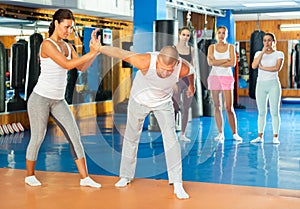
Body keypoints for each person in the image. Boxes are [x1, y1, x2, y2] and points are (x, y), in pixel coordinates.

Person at [97, 43, 195, 199]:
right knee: (131, 138)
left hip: (163, 102)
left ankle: (177, 183)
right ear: (158, 61)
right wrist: (99, 48)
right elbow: (120, 53)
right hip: (139, 100)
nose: (164, 72)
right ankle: (125, 176)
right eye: (162, 68)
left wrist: (192, 86)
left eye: (169, 70)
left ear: (176, 64)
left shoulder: (182, 68)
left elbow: (192, 70)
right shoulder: (145, 61)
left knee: (171, 140)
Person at [25, 9, 101, 188]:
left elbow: (81, 67)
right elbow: (67, 65)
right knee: (37, 137)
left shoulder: (69, 46)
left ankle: (85, 178)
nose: (68, 31)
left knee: (75, 136)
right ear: (56, 23)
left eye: (71, 28)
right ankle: (29, 175)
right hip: (40, 99)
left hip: (58, 100)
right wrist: (91, 53)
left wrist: (94, 52)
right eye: (66, 27)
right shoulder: (47, 45)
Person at [207, 26, 242, 142]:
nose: (221, 35)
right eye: (219, 33)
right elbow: (210, 62)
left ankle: (235, 133)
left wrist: (217, 62)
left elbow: (232, 63)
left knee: (228, 107)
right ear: (217, 34)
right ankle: (220, 133)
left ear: (227, 35)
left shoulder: (231, 47)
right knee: (217, 106)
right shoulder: (211, 47)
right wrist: (224, 61)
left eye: (223, 33)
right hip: (214, 77)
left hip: (226, 77)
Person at [250, 32, 284, 144]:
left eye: (269, 40)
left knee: (274, 112)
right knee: (261, 112)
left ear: (274, 42)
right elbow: (254, 66)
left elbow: (276, 68)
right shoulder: (258, 53)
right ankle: (260, 136)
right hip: (261, 84)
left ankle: (275, 137)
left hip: (273, 84)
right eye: (265, 40)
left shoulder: (279, 54)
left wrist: (263, 67)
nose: (267, 42)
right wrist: (263, 52)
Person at [172, 26, 195, 142]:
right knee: (175, 107)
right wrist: (173, 82)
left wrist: (192, 84)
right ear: (179, 35)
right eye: (183, 35)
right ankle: (171, 133)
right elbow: (171, 67)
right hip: (176, 80)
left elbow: (192, 68)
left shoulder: (191, 49)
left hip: (187, 81)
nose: (185, 37)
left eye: (188, 35)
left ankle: (183, 134)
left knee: (186, 108)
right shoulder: (173, 49)